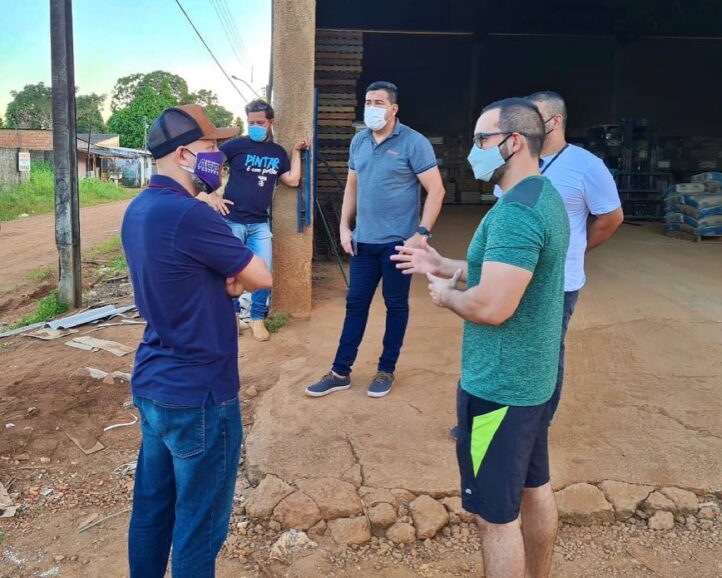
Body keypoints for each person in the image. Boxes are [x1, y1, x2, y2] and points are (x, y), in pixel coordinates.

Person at [392, 98, 569, 578]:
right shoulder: (542, 195)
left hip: (499, 389)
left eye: (481, 140)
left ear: (514, 142)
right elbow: (506, 273)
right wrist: (442, 263)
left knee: (495, 518)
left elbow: (492, 306)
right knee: (534, 489)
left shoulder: (515, 214)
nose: (474, 150)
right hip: (532, 383)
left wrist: (446, 295)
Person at [121, 104, 272, 578]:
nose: (219, 157)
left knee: (152, 508)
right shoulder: (191, 215)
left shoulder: (139, 209)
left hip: (154, 381)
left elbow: (185, 278)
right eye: (211, 147)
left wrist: (226, 280)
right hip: (201, 393)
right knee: (199, 525)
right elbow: (261, 275)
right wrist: (231, 280)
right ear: (184, 154)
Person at [305, 81, 445, 398]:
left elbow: (436, 190)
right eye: (368, 102)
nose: (371, 108)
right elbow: (351, 186)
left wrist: (422, 233)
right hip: (363, 243)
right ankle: (340, 372)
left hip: (399, 245)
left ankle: (386, 370)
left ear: (393, 109)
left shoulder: (414, 142)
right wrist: (344, 228)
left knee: (395, 306)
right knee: (355, 304)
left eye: (378, 103)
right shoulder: (359, 141)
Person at [494, 91, 623, 422]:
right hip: (511, 273)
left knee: (545, 351)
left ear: (556, 121)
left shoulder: (586, 166)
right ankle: (498, 414)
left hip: (557, 281)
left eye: (534, 118)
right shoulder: (514, 160)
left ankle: (538, 421)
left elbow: (610, 218)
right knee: (504, 345)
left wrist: (574, 248)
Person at [200, 99, 309, 342]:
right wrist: (212, 195)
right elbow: (206, 164)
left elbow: (292, 180)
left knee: (263, 272)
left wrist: (295, 152)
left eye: (260, 122)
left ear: (271, 122)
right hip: (232, 221)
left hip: (259, 224)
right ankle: (233, 318)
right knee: (230, 271)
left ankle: (257, 318)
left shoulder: (277, 152)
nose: (255, 126)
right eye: (251, 122)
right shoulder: (235, 146)